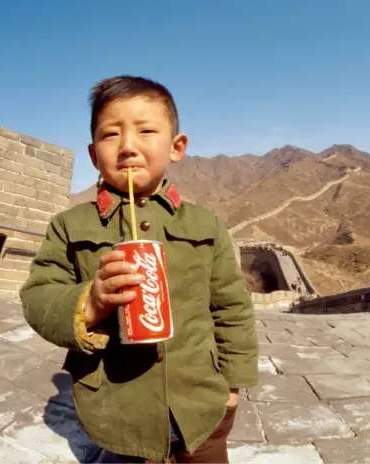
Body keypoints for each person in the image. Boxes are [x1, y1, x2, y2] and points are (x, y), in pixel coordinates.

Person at [20, 75, 258, 463]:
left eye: (146, 131)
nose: (128, 146)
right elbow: (38, 296)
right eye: (111, 134)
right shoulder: (70, 226)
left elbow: (232, 308)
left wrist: (232, 387)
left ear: (177, 147)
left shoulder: (206, 225)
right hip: (117, 412)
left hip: (201, 409)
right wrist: (89, 303)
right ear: (94, 154)